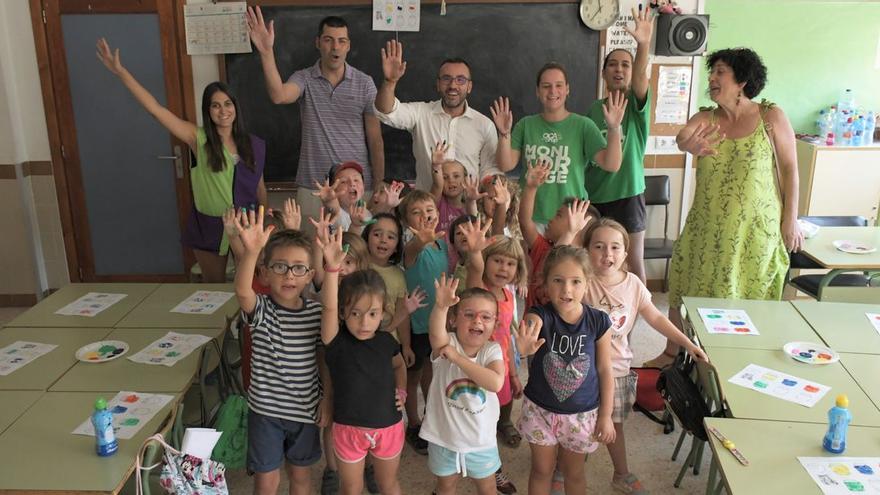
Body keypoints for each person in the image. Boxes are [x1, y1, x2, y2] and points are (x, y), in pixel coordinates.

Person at [646, 47, 803, 368]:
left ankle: (743, 359)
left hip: (755, 234)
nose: (713, 78)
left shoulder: (771, 118)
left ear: (742, 80)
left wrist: (791, 220)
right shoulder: (706, 118)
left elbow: (790, 169)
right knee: (685, 285)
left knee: (750, 298)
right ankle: (672, 353)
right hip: (707, 231)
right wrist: (687, 143)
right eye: (712, 72)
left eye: (720, 72)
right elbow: (683, 136)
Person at [96, 38, 266, 283]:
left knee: (250, 284)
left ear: (236, 107)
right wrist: (121, 72)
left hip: (247, 224)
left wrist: (262, 220)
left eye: (228, 104)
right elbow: (155, 109)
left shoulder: (254, 144)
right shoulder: (197, 138)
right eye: (215, 106)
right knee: (215, 287)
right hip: (210, 224)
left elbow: (259, 187)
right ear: (207, 111)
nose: (223, 111)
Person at [583, 218, 709, 494]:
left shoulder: (634, 285)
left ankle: (621, 473)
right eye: (599, 247)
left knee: (614, 426)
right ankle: (563, 470)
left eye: (615, 247)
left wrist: (687, 343)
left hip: (616, 370)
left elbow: (656, 318)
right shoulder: (581, 283)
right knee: (576, 426)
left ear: (626, 253)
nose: (608, 254)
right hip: (581, 371)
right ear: (587, 250)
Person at [246, 8, 384, 228]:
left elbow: (375, 139)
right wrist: (266, 51)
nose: (335, 47)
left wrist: (378, 183)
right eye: (329, 40)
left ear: (348, 45)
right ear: (318, 43)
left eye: (341, 41)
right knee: (312, 255)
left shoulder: (364, 83)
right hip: (314, 186)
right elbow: (279, 95)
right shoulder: (304, 79)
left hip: (356, 186)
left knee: (356, 254)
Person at [231, 209, 328, 495]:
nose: (289, 275)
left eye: (299, 268)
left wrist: (327, 398)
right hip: (266, 413)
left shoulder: (317, 313)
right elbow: (242, 292)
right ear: (264, 272)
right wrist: (251, 252)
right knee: (266, 481)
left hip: (305, 410)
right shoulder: (261, 309)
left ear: (310, 275)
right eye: (280, 266)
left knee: (300, 478)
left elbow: (325, 360)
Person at [515, 245, 616, 495]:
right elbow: (531, 325)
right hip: (540, 411)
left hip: (582, 415)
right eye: (558, 280)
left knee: (574, 474)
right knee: (541, 471)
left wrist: (606, 415)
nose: (566, 289)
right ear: (545, 283)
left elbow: (605, 369)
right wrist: (524, 345)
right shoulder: (539, 315)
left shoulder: (599, 321)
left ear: (587, 282)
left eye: (575, 281)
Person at [317, 228, 407, 495]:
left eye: (372, 313)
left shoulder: (386, 342)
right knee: (351, 488)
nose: (364, 321)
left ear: (382, 313)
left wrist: (402, 391)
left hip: (388, 427)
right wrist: (332, 269)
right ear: (344, 313)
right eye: (355, 313)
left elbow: (400, 365)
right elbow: (329, 307)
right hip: (348, 431)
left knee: (387, 484)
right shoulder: (335, 341)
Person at [492, 62, 625, 227]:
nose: (553, 91)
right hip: (530, 218)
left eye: (559, 85)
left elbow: (611, 165)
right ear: (537, 92)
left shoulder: (583, 125)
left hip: (571, 218)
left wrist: (613, 128)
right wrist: (504, 134)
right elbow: (506, 164)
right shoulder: (526, 125)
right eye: (546, 86)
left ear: (567, 89)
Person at [375, 41, 508, 190]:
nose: (453, 85)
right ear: (438, 84)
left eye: (460, 80)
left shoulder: (484, 124)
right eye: (446, 78)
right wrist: (390, 81)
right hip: (427, 209)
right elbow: (386, 111)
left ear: (469, 86)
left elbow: (489, 171)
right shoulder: (421, 114)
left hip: (468, 208)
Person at [585, 6, 654, 283]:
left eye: (625, 65)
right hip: (594, 196)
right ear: (603, 74)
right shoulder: (593, 109)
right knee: (592, 263)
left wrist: (643, 44)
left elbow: (640, 78)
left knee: (632, 262)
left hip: (628, 194)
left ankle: (630, 325)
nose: (619, 69)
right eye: (613, 64)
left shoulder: (637, 106)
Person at [460, 221, 529, 495]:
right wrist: (476, 253)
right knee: (479, 420)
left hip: (502, 363)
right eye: (497, 261)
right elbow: (475, 270)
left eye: (510, 264)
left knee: (500, 408)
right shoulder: (479, 290)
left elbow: (507, 338)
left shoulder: (508, 295)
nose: (503, 268)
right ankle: (491, 468)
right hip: (479, 366)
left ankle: (493, 447)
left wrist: (513, 373)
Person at [420, 274, 505, 495]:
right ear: (454, 320)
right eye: (469, 314)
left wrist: (457, 358)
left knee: (488, 489)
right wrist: (440, 306)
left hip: (481, 441)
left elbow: (495, 382)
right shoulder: (447, 343)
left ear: (495, 324)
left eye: (486, 317)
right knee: (446, 487)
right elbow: (436, 334)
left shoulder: (492, 350)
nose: (477, 321)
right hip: (443, 439)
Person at [399, 190, 448, 456]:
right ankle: (413, 423)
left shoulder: (441, 243)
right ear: (407, 220)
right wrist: (421, 240)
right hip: (417, 324)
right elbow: (413, 249)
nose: (425, 215)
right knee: (413, 375)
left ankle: (431, 418)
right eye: (416, 212)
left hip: (436, 323)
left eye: (429, 210)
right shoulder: (411, 247)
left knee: (433, 371)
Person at [519, 160, 595, 310]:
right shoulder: (542, 247)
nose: (551, 219)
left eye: (559, 215)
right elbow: (524, 221)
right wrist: (531, 187)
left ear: (578, 226)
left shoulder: (585, 264)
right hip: (533, 329)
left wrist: (570, 232)